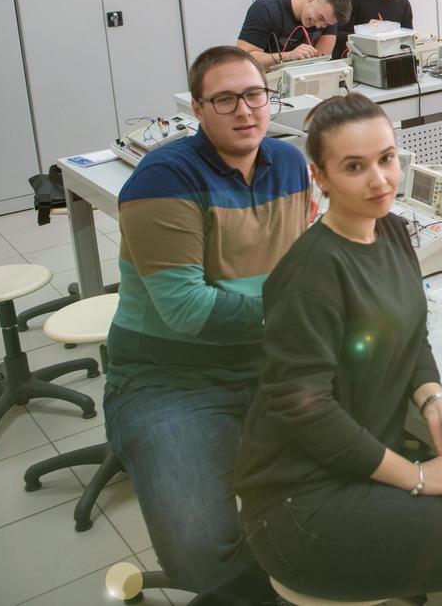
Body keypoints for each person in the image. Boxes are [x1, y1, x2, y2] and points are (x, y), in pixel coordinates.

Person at [235, 93, 442, 604]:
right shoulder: (310, 273)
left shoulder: (393, 231)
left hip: (357, 466)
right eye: (355, 167)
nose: (380, 180)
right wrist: (418, 476)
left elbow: (411, 331)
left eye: (387, 159)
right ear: (321, 176)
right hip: (302, 504)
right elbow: (305, 410)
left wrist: (434, 403)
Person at [105, 45, 312, 605]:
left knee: (341, 493)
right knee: (197, 552)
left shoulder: (290, 164)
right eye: (224, 100)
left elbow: (296, 270)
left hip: (266, 362)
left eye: (254, 95)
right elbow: (188, 311)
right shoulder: (162, 179)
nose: (245, 111)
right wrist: (300, 312)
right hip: (169, 378)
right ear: (197, 109)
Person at [235, 0, 352, 72]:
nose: (318, 26)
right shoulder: (265, 9)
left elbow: (320, 62)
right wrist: (288, 56)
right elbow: (244, 59)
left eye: (326, 24)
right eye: (320, 17)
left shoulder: (328, 18)